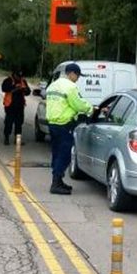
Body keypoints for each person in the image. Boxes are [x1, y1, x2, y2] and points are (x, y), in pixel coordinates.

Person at [45, 63, 94, 195]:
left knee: (56, 152)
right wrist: (91, 109)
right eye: (77, 75)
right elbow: (78, 104)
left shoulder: (53, 85)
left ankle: (57, 180)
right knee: (65, 154)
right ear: (71, 73)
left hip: (52, 123)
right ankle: (56, 183)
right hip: (64, 124)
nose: (77, 78)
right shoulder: (70, 87)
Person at [1, 69, 31, 145]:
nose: (19, 78)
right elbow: (4, 89)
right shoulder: (8, 80)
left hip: (20, 106)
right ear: (14, 75)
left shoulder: (23, 81)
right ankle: (6, 138)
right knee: (9, 122)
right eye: (18, 76)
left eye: (20, 76)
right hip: (10, 105)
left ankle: (17, 140)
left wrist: (24, 90)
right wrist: (15, 88)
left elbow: (28, 92)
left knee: (19, 123)